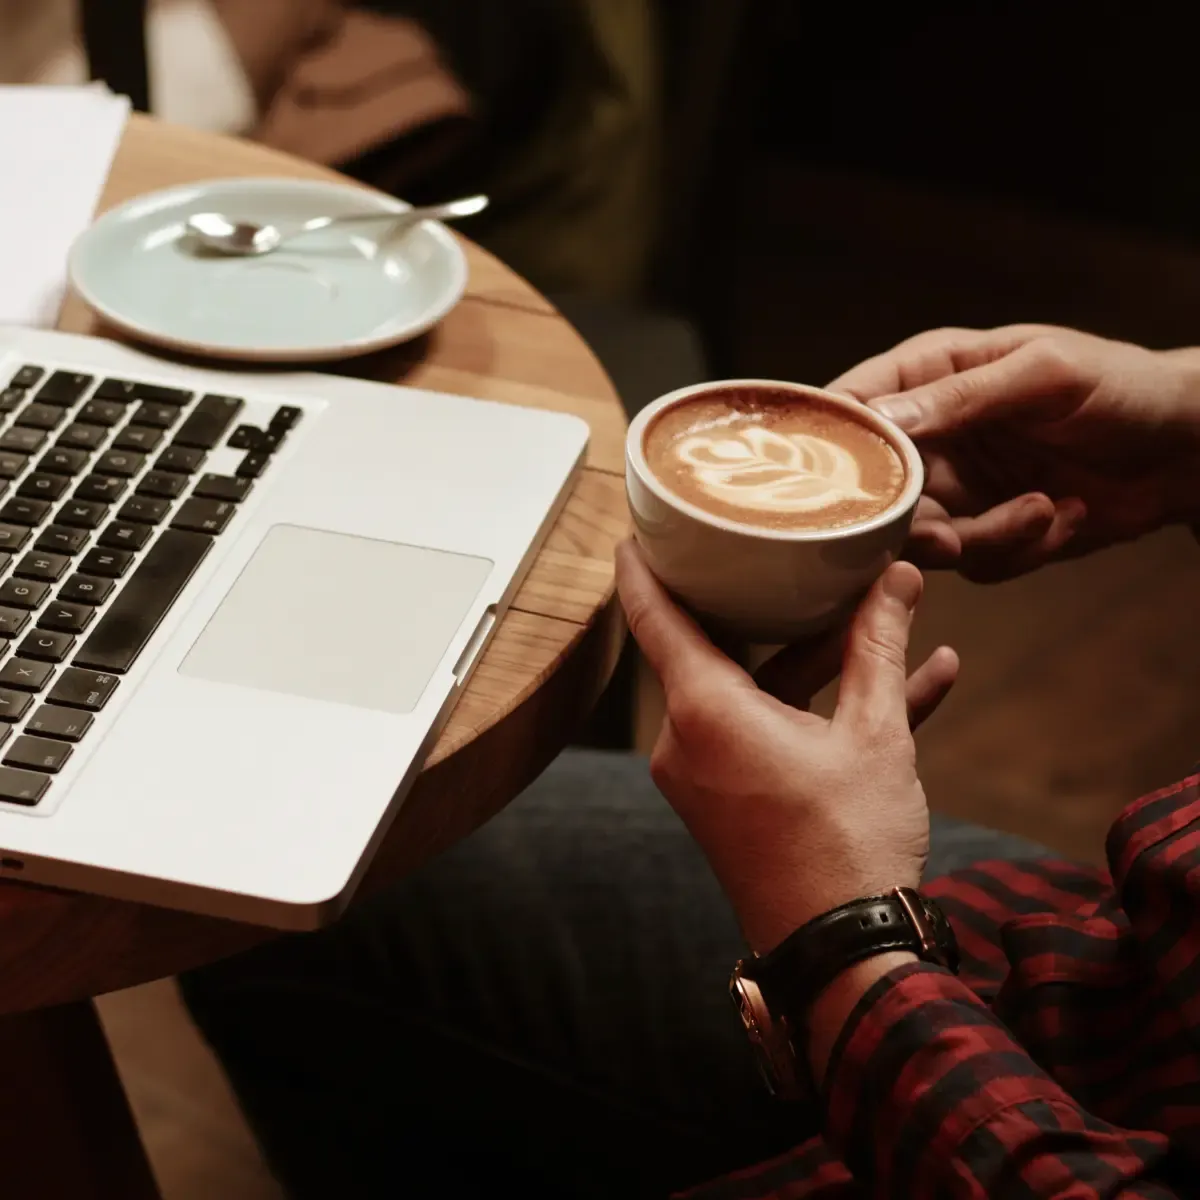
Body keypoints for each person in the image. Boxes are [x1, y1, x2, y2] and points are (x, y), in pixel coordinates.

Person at [181, 324, 1200, 1197]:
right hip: (1116, 959)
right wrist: (1188, 423)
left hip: (1009, 1104)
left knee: (298, 876)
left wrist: (841, 940)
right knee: (326, 858)